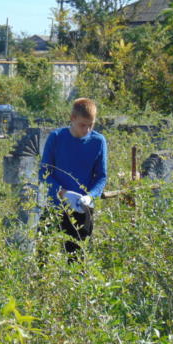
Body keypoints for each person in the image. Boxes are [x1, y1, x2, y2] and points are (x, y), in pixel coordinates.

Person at [38, 98, 108, 264]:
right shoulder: (56, 138)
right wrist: (61, 192)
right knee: (42, 256)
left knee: (76, 261)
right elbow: (44, 172)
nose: (87, 129)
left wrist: (91, 196)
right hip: (55, 206)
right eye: (83, 125)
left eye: (91, 125)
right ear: (72, 118)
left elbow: (101, 176)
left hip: (82, 209)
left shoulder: (98, 141)